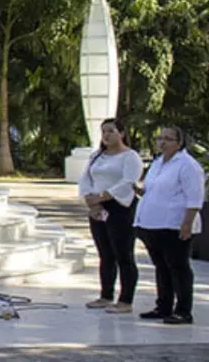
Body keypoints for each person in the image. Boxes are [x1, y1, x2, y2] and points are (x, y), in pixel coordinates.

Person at [134, 126, 203, 325]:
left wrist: (187, 224)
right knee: (161, 267)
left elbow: (194, 197)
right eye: (159, 138)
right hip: (152, 224)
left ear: (179, 143)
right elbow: (150, 190)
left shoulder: (187, 165)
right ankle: (163, 306)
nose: (162, 142)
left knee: (178, 267)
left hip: (174, 225)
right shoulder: (157, 164)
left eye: (168, 139)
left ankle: (183, 310)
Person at [77, 117, 142, 312]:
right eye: (104, 131)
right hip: (98, 209)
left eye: (111, 131)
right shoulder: (97, 155)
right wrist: (91, 200)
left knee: (123, 254)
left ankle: (125, 300)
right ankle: (106, 295)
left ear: (121, 134)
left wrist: (103, 196)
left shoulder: (130, 157)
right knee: (105, 254)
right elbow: (86, 178)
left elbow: (128, 181)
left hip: (120, 207)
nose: (106, 135)